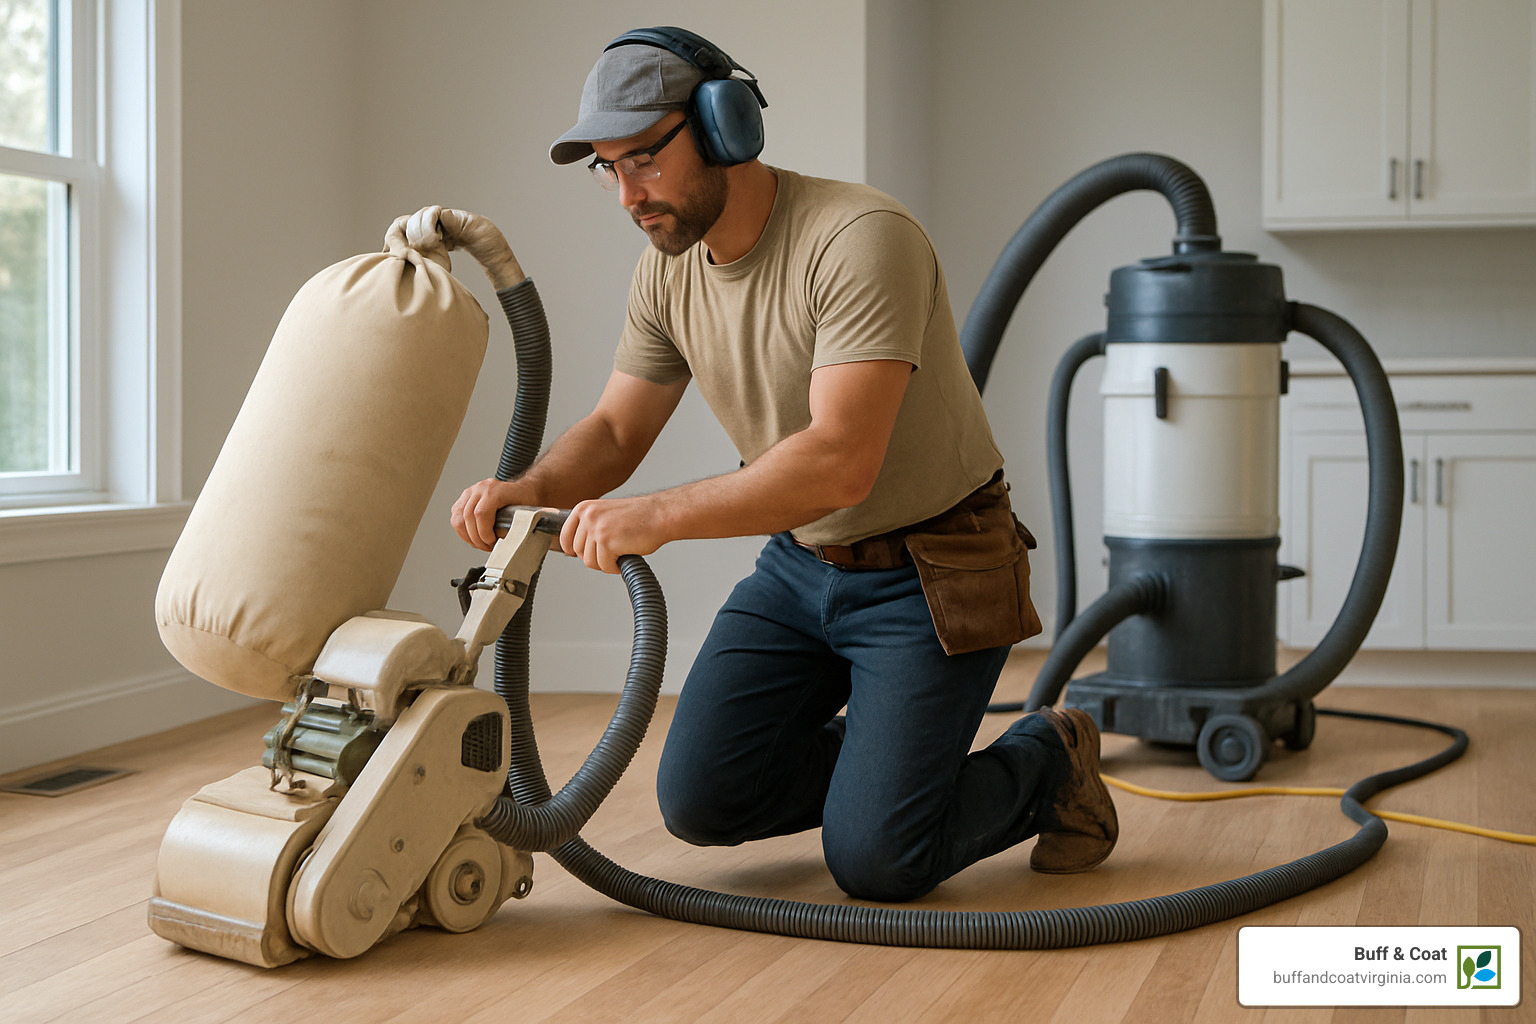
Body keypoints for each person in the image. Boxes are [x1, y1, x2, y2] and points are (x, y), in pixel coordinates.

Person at [412, 26, 1116, 903]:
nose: (629, 193)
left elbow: (839, 463)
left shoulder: (859, 237)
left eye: (645, 159)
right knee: (703, 799)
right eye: (608, 168)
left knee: (879, 863)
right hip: (801, 565)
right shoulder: (666, 270)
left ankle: (1048, 760)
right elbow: (618, 430)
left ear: (725, 124)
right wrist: (530, 490)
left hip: (932, 568)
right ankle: (890, 782)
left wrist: (655, 516)